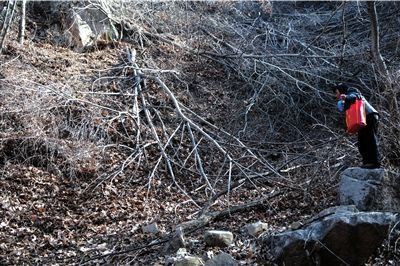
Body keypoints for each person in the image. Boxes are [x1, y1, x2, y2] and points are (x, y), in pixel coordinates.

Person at [332, 83, 381, 169]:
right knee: (362, 142)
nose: (336, 95)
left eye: (336, 92)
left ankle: (374, 163)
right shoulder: (346, 99)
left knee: (370, 140)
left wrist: (346, 97)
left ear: (341, 89)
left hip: (369, 116)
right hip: (363, 118)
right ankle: (367, 163)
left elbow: (355, 97)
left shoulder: (352, 91)